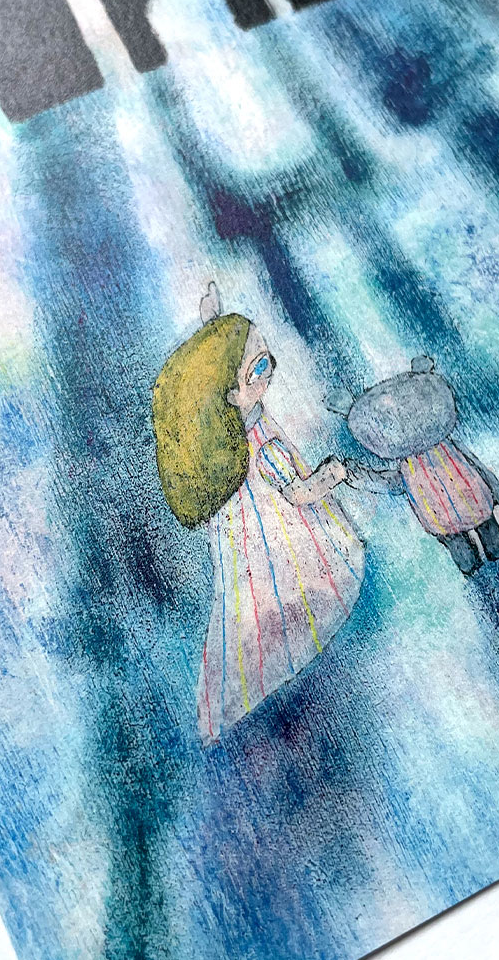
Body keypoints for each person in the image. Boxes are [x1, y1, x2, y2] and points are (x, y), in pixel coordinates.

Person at [152, 284, 364, 745]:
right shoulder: (262, 450)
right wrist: (334, 474)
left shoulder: (221, 447)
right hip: (275, 533)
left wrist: (213, 325)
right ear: (232, 393)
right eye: (259, 368)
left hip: (244, 538)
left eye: (267, 360)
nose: (270, 372)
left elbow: (214, 369)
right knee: (282, 585)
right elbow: (300, 493)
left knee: (251, 592)